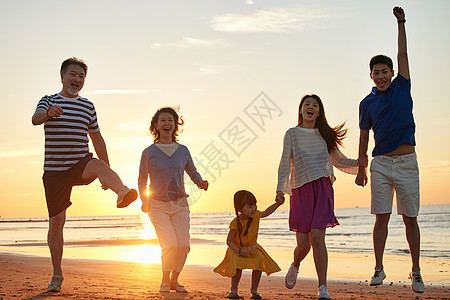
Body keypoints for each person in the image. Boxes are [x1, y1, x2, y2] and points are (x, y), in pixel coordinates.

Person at [31, 57, 138, 292]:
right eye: (73, 74)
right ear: (62, 76)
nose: (77, 79)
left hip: (81, 163)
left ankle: (121, 192)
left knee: (98, 164)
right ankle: (57, 275)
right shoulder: (48, 100)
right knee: (57, 222)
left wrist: (106, 171)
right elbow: (34, 120)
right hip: (55, 172)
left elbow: (97, 137)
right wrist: (48, 113)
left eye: (81, 76)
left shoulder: (87, 106)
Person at [355, 7, 425, 294]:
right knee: (381, 217)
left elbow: (404, 54)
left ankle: (417, 271)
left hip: (407, 162)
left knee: (411, 218)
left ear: (392, 73)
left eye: (385, 72)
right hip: (381, 164)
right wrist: (361, 168)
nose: (381, 76)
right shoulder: (366, 104)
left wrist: (401, 23)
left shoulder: (402, 87)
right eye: (376, 73)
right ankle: (379, 268)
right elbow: (363, 138)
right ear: (370, 76)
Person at [276, 94, 360, 299]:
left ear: (319, 112)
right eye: (307, 104)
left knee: (317, 237)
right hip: (300, 190)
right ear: (301, 110)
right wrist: (280, 189)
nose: (311, 107)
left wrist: (362, 163)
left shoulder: (324, 134)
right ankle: (296, 264)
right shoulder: (292, 134)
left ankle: (322, 287)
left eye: (315, 105)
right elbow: (285, 163)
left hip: (322, 188)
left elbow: (340, 161)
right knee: (303, 245)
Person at [138, 106, 209, 293]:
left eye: (170, 120)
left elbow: (192, 171)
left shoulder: (183, 150)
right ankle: (164, 279)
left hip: (180, 205)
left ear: (175, 125)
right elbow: (142, 179)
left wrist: (200, 182)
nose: (167, 123)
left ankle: (174, 281)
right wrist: (143, 199)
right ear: (156, 125)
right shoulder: (149, 152)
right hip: (157, 205)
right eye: (163, 120)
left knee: (183, 245)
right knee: (170, 244)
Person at [214, 190, 283, 299]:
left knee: (259, 260)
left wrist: (277, 204)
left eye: (255, 205)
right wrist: (239, 251)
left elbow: (267, 212)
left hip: (252, 249)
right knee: (237, 263)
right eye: (250, 206)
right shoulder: (235, 222)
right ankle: (233, 290)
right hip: (236, 250)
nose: (254, 208)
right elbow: (229, 241)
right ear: (240, 209)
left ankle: (254, 290)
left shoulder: (256, 215)